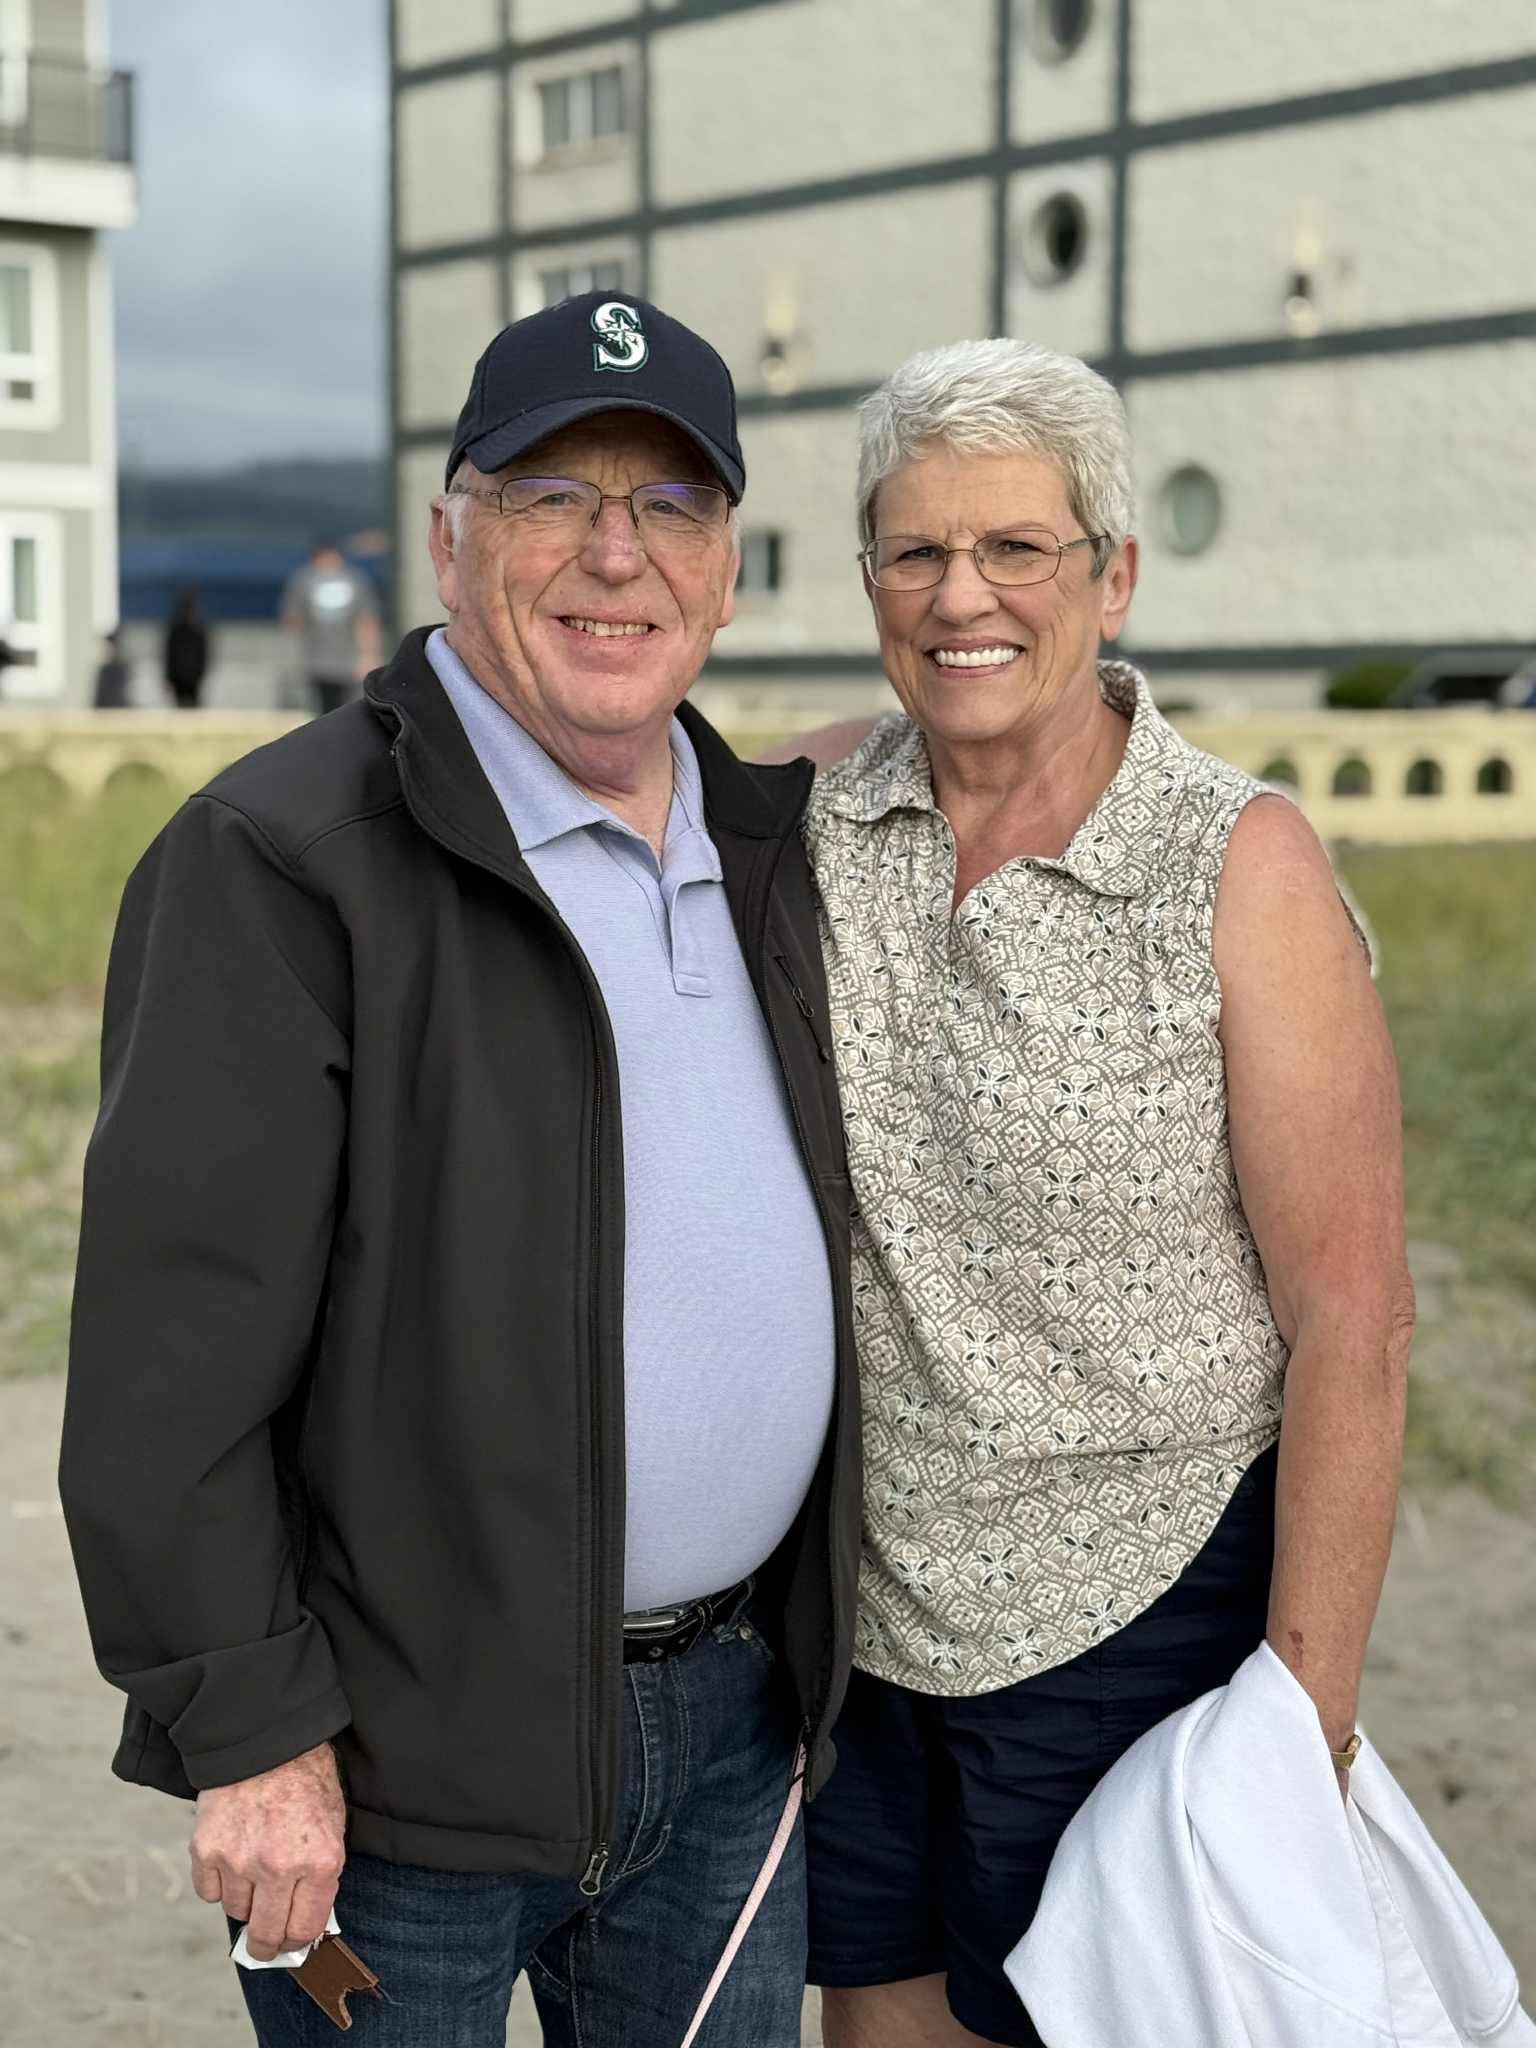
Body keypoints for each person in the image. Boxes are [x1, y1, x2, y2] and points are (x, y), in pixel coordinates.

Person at [61, 291, 861, 2048]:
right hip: (393, 1774)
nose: (614, 555)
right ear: (448, 538)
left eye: (669, 506)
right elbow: (166, 1362)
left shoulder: (771, 852)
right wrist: (250, 1732)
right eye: (551, 495)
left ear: (726, 570)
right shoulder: (284, 859)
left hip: (730, 1739)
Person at [773, 339, 1414, 2048]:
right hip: (864, 1611)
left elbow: (1353, 1312)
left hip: (1138, 1604)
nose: (959, 596)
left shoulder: (1233, 863)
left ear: (1111, 575)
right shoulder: (817, 816)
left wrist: (1305, 1718)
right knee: (878, 2020)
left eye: (1015, 548)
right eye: (916, 551)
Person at [279, 537, 381, 715]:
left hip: (347, 659)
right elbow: (293, 619)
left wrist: (367, 655)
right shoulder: (304, 580)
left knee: (347, 709)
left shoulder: (355, 580)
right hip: (315, 659)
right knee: (320, 709)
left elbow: (366, 621)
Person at [163, 585, 211, 708]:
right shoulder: (177, 630)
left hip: (193, 679)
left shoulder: (198, 630)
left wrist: (200, 673)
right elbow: (170, 655)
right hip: (180, 679)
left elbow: (203, 654)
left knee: (192, 707)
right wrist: (169, 677)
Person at [92, 628, 131, 708]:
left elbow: (125, 694)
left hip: (120, 709)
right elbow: (99, 695)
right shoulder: (104, 670)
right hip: (104, 709)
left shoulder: (123, 668)